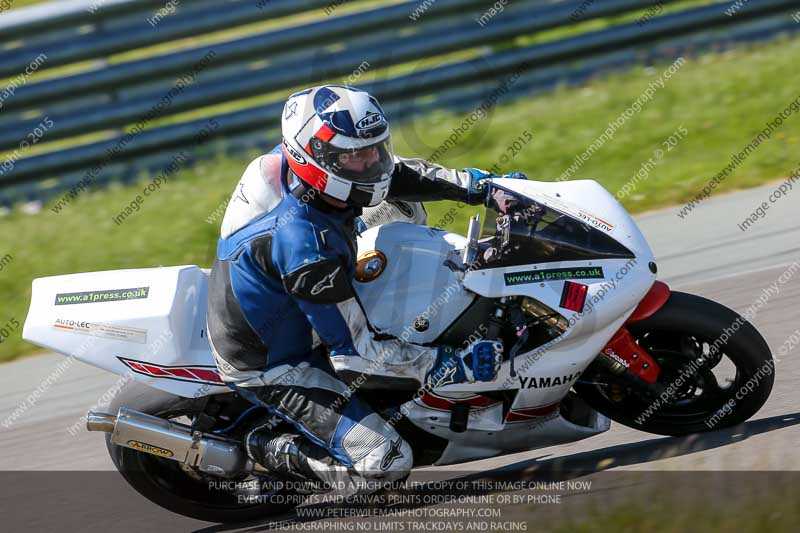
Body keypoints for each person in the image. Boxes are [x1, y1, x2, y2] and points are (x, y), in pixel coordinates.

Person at [207, 85, 526, 490]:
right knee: (383, 463)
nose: (371, 162)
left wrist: (479, 186)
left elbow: (395, 176)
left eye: (375, 148)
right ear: (315, 158)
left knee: (401, 207)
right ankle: (265, 446)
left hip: (300, 278)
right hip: (279, 361)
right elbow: (356, 355)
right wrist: (449, 363)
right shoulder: (306, 249)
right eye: (356, 156)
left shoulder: (297, 161)